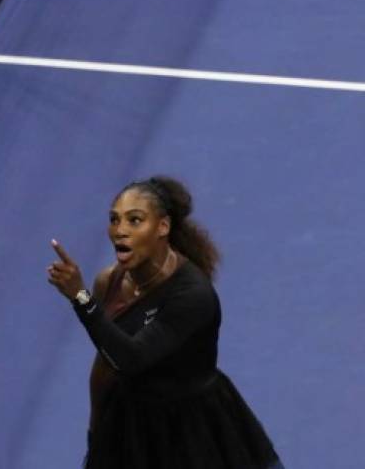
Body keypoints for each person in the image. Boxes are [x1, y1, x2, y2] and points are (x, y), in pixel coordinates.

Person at [46, 176, 282, 469]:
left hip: (195, 431)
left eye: (134, 220)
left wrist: (80, 298)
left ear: (163, 227)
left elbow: (131, 358)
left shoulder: (193, 295)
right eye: (114, 220)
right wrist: (95, 433)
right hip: (132, 427)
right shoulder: (109, 281)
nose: (120, 231)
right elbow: (106, 363)